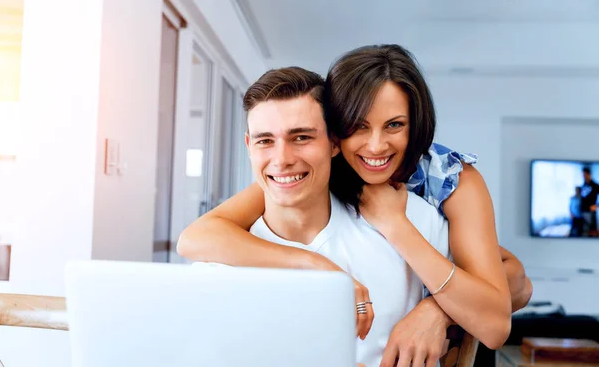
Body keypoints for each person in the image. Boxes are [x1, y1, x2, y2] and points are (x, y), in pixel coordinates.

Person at [178, 45, 532, 363]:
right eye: (358, 127)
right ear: (337, 135)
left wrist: (432, 304)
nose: (375, 147)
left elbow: (515, 281)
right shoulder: (308, 174)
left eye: (394, 125)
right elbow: (198, 237)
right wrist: (319, 267)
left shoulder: (445, 183)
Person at [233, 66, 451, 366]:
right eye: (265, 141)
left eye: (301, 137)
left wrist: (439, 310)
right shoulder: (219, 265)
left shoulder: (407, 217)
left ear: (335, 142)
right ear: (249, 146)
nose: (282, 160)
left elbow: (508, 282)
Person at [581, 167, 599, 236]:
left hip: (590, 212)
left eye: (584, 174)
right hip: (583, 211)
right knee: (584, 232)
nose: (583, 176)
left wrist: (597, 205)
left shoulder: (595, 185)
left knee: (592, 233)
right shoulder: (584, 185)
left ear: (589, 174)